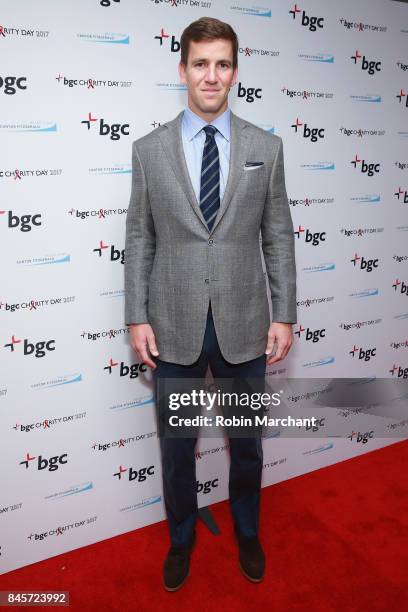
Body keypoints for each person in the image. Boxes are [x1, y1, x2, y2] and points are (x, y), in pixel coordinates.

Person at [124, 16, 297, 591]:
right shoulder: (148, 151)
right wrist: (136, 316)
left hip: (245, 321)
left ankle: (247, 531)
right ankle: (181, 539)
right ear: (182, 70)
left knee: (245, 443)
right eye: (201, 63)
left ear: (235, 71)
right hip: (171, 323)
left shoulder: (265, 148)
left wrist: (284, 312)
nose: (211, 74)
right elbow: (140, 237)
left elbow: (278, 234)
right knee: (177, 447)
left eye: (222, 63)